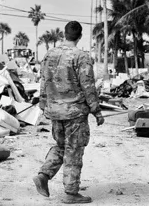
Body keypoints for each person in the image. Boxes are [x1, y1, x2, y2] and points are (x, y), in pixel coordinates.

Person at [33, 21, 104, 204]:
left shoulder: (49, 55)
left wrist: (43, 105)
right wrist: (96, 111)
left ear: (64, 34)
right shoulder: (81, 56)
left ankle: (43, 175)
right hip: (74, 113)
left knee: (62, 146)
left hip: (55, 111)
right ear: (80, 36)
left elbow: (43, 82)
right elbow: (88, 86)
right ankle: (71, 193)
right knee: (73, 150)